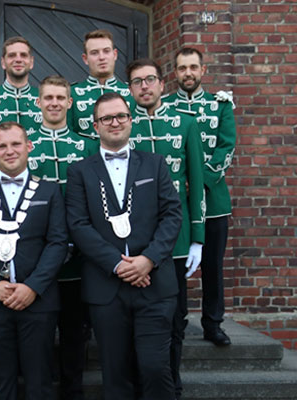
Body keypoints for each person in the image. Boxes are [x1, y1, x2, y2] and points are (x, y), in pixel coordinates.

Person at [66, 92, 183, 400]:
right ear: (96, 126)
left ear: (131, 120)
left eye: (120, 116)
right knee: (115, 375)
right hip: (106, 288)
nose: (114, 122)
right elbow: (78, 225)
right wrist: (118, 265)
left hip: (154, 284)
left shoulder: (155, 164)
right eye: (106, 118)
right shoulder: (79, 171)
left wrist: (148, 260)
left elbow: (172, 215)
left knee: (155, 368)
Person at [0, 121, 68, 400]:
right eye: (2, 146)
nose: (10, 151)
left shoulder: (50, 191)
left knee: (40, 379)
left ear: (29, 146)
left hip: (38, 300)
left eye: (16, 144)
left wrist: (33, 287)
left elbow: (58, 243)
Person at [126, 58, 206, 400]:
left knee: (174, 319)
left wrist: (198, 238)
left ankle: (172, 384)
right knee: (133, 321)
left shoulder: (186, 123)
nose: (144, 86)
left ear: (162, 83)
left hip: (177, 240)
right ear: (130, 88)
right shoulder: (123, 125)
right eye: (137, 81)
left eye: (150, 79)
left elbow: (196, 182)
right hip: (134, 242)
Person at [28, 75, 97, 400]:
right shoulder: (25, 145)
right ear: (38, 102)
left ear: (70, 103)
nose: (54, 103)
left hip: (78, 259)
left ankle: (73, 391)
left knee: (74, 331)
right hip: (36, 258)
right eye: (48, 97)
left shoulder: (87, 146)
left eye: (60, 98)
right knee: (37, 333)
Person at [165, 47, 236, 348]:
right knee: (175, 262)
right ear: (175, 72)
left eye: (193, 67)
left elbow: (226, 147)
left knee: (213, 265)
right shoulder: (166, 105)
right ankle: (176, 319)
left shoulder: (220, 105)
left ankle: (213, 322)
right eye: (182, 68)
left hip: (213, 199)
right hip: (178, 199)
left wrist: (199, 180)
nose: (188, 73)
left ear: (203, 70)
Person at [70, 29, 134, 140]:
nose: (101, 57)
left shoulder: (131, 92)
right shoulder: (72, 94)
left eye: (106, 51)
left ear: (115, 55)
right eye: (94, 53)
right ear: (85, 59)